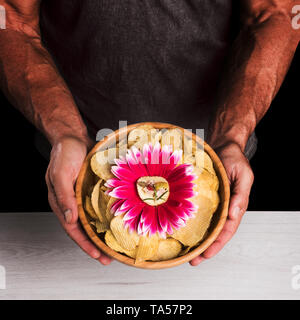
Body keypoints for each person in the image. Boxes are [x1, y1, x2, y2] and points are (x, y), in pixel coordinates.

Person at [0, 0, 298, 266]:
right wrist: (66, 133)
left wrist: (232, 136)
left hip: (219, 162)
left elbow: (278, 12)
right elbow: (9, 15)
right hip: (69, 164)